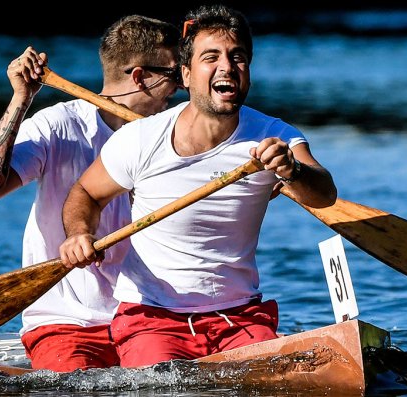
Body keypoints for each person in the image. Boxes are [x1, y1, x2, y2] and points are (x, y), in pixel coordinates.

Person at [59, 4, 337, 368]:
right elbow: (85, 194)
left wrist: (293, 171)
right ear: (186, 75)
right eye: (212, 57)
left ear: (248, 74)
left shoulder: (276, 135)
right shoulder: (140, 139)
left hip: (240, 318)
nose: (227, 66)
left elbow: (326, 195)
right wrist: (79, 234)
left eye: (238, 57)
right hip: (153, 319)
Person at [0, 15, 181, 372]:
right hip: (69, 322)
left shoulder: (172, 134)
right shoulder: (59, 126)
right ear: (140, 77)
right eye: (174, 75)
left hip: (150, 320)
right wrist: (21, 99)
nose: (181, 87)